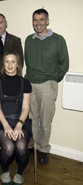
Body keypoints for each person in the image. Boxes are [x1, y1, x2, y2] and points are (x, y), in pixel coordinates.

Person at [25, 9, 69, 164]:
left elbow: (64, 64)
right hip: (31, 83)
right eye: (35, 20)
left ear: (47, 21)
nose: (38, 23)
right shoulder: (29, 40)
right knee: (33, 118)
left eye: (41, 19)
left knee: (45, 120)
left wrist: (53, 79)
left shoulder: (58, 40)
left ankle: (44, 149)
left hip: (47, 85)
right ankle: (35, 147)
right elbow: (28, 63)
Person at [0, 51, 32, 185]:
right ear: (3, 64)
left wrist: (19, 125)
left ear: (18, 65)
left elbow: (26, 108)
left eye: (13, 61)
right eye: (7, 61)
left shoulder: (25, 83)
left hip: (20, 120)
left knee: (21, 147)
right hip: (1, 122)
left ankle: (20, 172)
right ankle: (4, 170)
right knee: (8, 147)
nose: (10, 64)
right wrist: (6, 126)